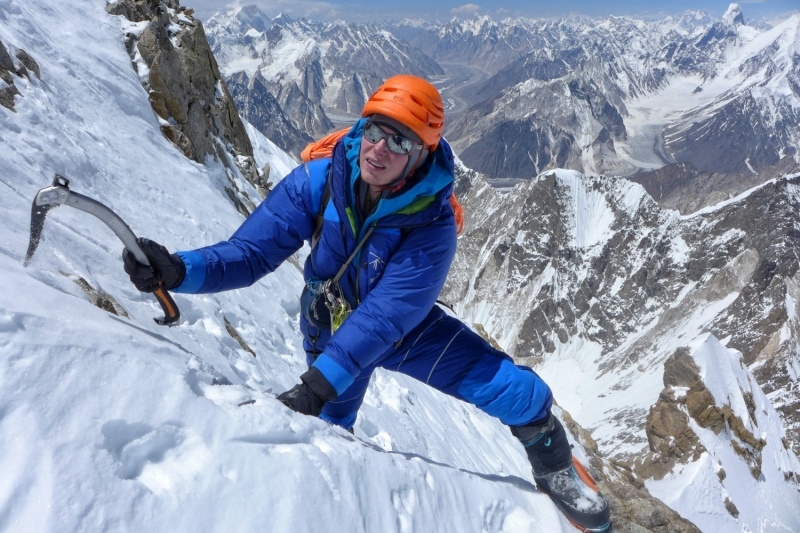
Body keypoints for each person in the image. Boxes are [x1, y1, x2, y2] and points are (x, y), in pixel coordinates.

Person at [123, 74, 611, 532]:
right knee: (332, 424)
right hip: (331, 321)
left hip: (403, 331)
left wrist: (318, 383)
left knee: (517, 391)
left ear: (423, 153)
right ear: (361, 127)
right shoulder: (320, 181)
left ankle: (555, 469)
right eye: (375, 130)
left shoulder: (432, 224)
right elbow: (251, 253)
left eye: (400, 141)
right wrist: (179, 270)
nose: (379, 148)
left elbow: (388, 315)